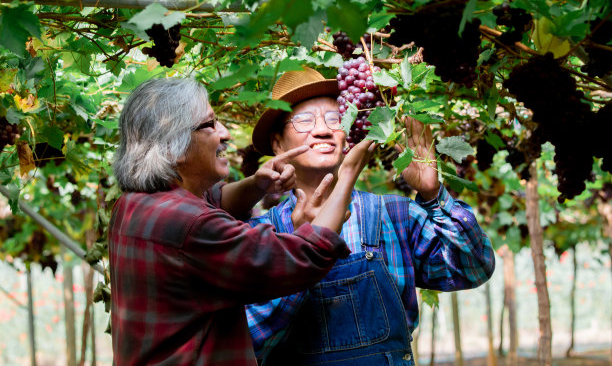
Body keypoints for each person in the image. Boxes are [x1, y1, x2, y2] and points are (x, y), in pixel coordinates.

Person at [108, 77, 375, 366]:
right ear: (174, 146)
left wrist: (257, 185)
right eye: (209, 124)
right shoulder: (193, 225)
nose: (224, 133)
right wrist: (347, 174)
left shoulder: (132, 205)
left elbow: (212, 200)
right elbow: (306, 256)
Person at [245, 67, 496, 365]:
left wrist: (433, 195)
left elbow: (473, 268)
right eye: (303, 120)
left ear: (349, 132)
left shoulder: (394, 214)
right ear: (277, 144)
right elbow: (250, 340)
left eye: (335, 118)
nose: (322, 130)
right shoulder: (259, 234)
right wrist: (301, 258)